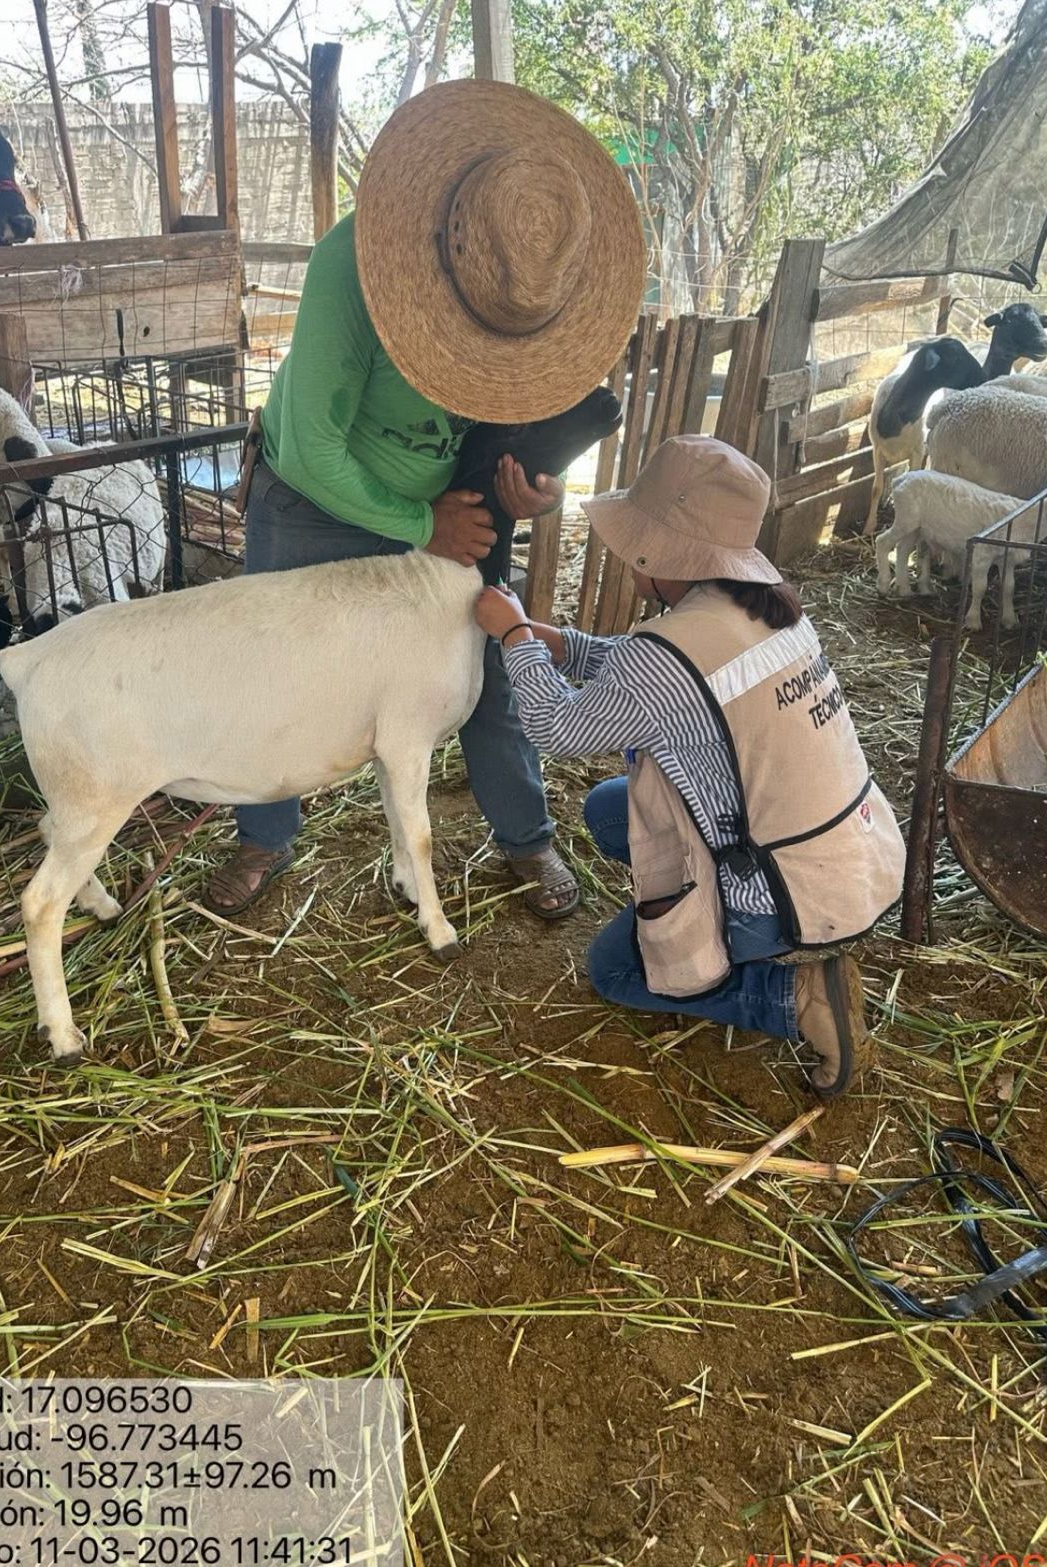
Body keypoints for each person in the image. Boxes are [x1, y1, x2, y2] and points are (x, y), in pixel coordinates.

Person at [202, 78, 646, 920]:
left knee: (493, 654)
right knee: (276, 667)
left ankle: (526, 836)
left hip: (452, 503)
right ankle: (263, 836)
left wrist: (534, 492)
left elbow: (520, 424)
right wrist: (419, 524)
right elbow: (315, 448)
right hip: (318, 497)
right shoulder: (353, 269)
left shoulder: (538, 286)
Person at [474, 436, 907, 1096]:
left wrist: (513, 639)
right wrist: (557, 644)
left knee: (615, 971)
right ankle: (731, 924)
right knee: (609, 810)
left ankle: (796, 996)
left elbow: (554, 727)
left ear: (662, 551)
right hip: (852, 854)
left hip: (783, 888)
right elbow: (661, 677)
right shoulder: (764, 605)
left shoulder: (669, 650)